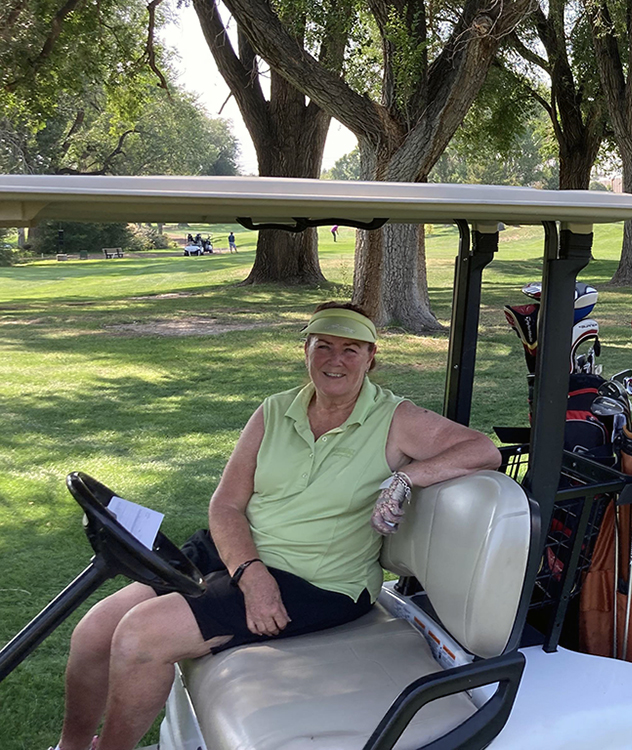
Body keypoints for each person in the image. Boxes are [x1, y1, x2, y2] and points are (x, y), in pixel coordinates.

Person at [50, 302, 501, 750]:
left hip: (317, 580)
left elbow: (481, 449)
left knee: (141, 637)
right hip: (235, 553)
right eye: (323, 345)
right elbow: (226, 505)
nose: (334, 359)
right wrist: (250, 571)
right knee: (94, 631)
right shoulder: (275, 410)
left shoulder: (396, 419)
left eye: (350, 349)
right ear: (305, 351)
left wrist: (405, 477)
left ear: (371, 358)